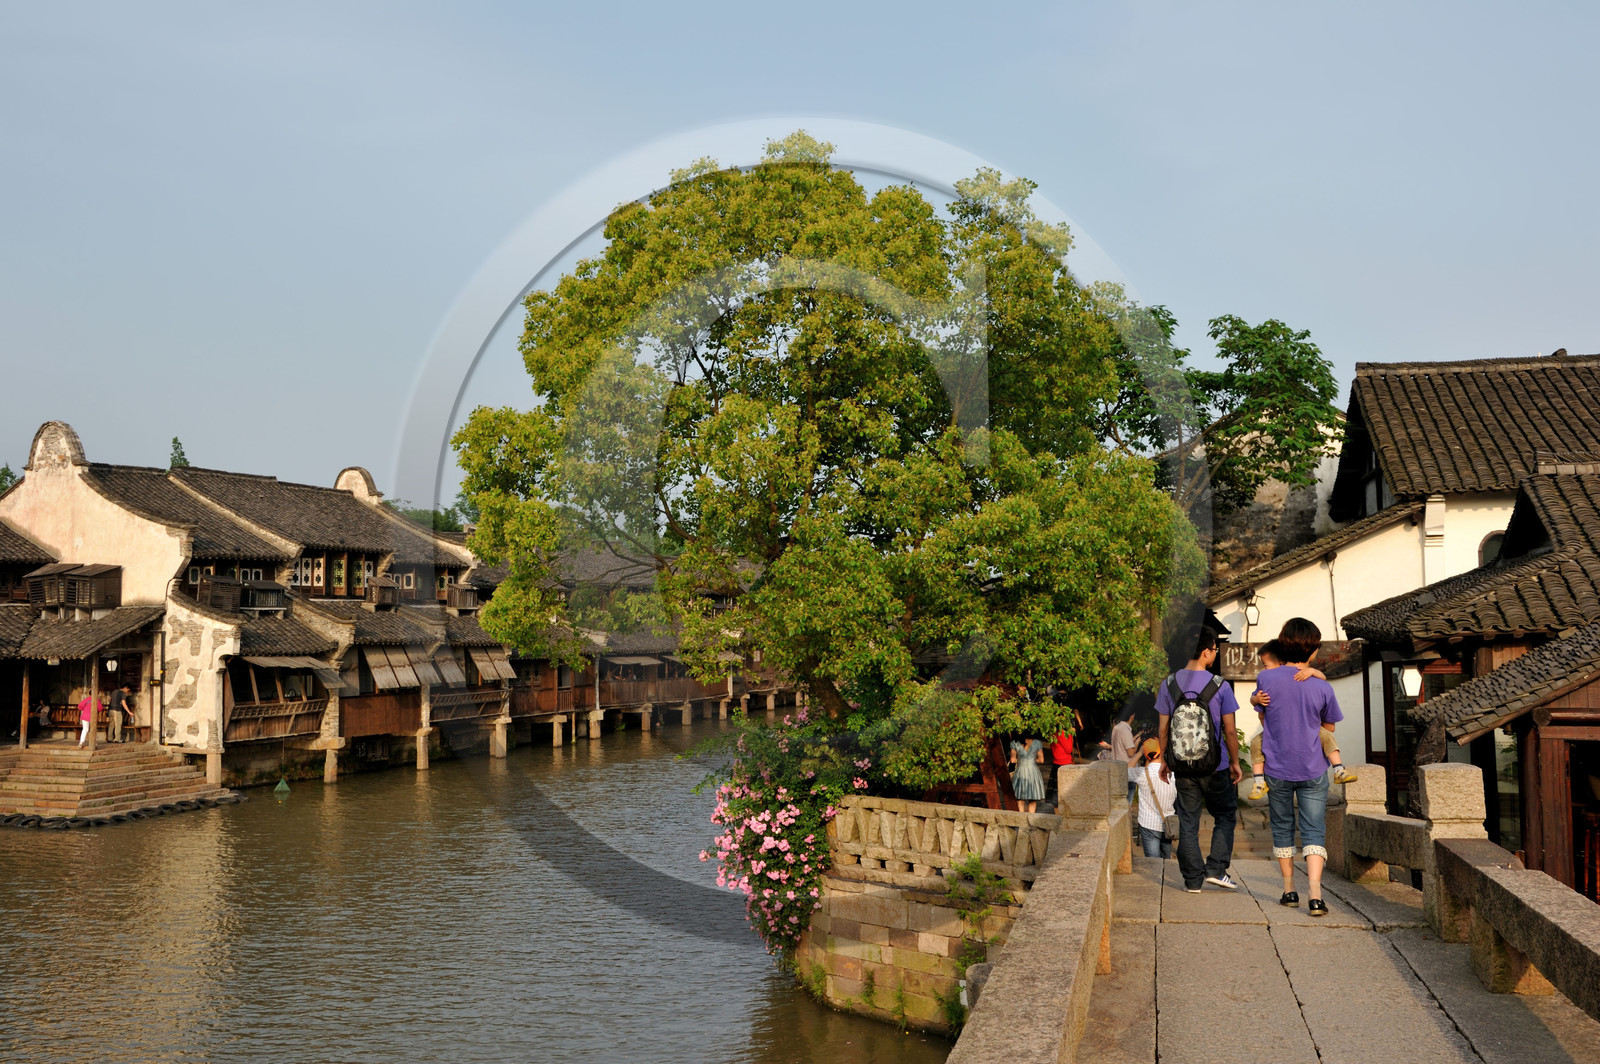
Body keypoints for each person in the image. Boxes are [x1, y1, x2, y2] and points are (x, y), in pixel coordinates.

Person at [1257, 617, 1344, 916]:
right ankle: (1316, 896)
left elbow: (1263, 715)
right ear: (1313, 649)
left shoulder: (1266, 679)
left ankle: (1288, 891)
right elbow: (1329, 726)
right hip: (1312, 767)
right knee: (1313, 831)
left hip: (1277, 766)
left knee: (1282, 827)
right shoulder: (1321, 686)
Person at [1157, 624, 1242, 893]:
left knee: (1189, 822)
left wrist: (1165, 761)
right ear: (1206, 651)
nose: (1215, 654)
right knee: (1226, 815)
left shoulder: (1169, 684)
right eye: (1215, 649)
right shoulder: (1221, 686)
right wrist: (1236, 762)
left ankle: (1193, 880)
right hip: (1216, 766)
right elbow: (1229, 730)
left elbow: (1162, 729)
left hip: (1183, 767)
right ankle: (1216, 869)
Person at [1246, 640, 1357, 800]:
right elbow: (1330, 726)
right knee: (1325, 734)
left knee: (1326, 736)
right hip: (1306, 755)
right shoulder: (1269, 681)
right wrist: (1255, 698)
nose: (1264, 669)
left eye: (1265, 665)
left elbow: (1323, 676)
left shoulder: (1271, 679)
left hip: (1284, 745)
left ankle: (1339, 768)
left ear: (1281, 662)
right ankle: (1258, 781)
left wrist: (1311, 671)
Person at [1130, 737, 1177, 858]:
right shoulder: (1172, 773)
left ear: (1146, 756)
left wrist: (1139, 753)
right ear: (1161, 752)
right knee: (1166, 860)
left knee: (1153, 862)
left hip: (1148, 824)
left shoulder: (1142, 773)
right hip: (1168, 824)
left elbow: (1125, 770)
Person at [1008, 735, 1046, 814]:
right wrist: (1031, 760)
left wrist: (1021, 760)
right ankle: (1030, 820)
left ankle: (1021, 821)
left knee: (1020, 799)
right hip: (1033, 771)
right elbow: (1041, 760)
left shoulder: (1015, 743)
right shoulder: (1037, 743)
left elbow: (1012, 760)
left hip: (1020, 771)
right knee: (1032, 799)